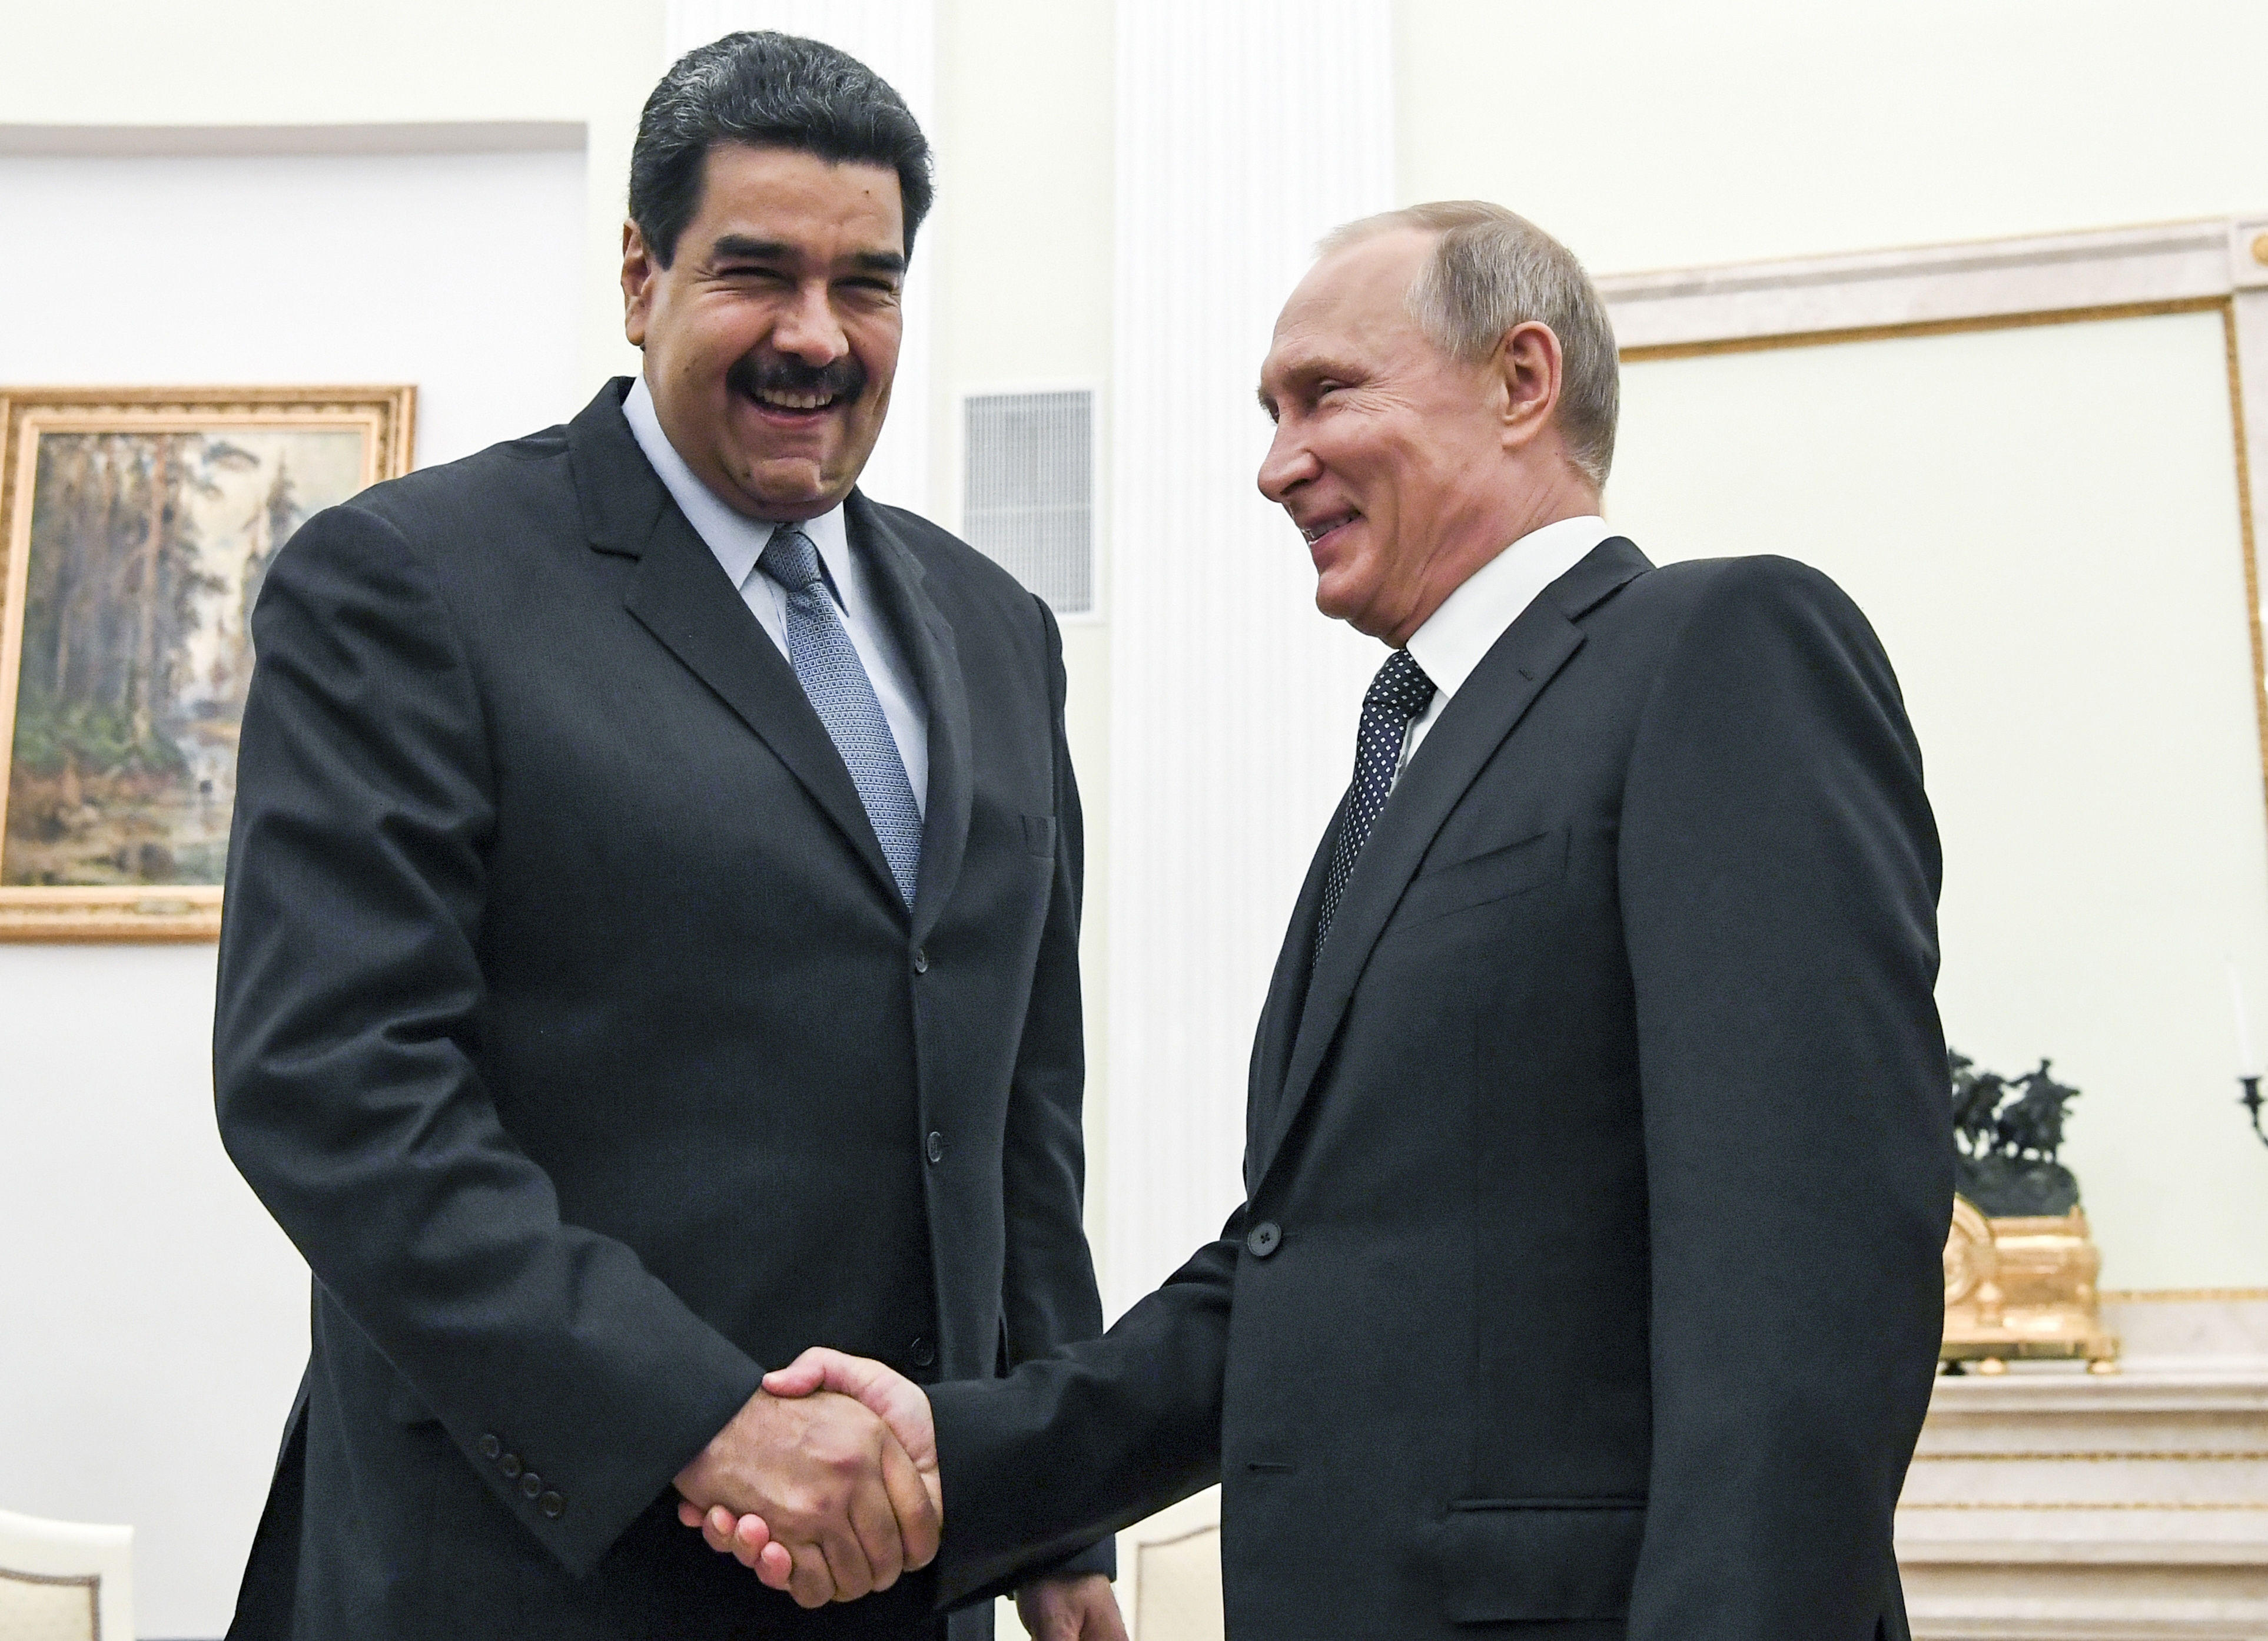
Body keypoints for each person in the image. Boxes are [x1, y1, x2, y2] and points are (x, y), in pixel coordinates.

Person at [699, 202, 1954, 1640]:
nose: (1275, 462)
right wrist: (956, 1447)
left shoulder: (1722, 652)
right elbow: (1301, 1274)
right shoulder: (1412, 753)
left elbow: (1803, 1278)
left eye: (1326, 394)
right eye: (1267, 411)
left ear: (1521, 379)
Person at [212, 31, 1121, 1641]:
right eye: (754, 274)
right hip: (519, 1572)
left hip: (902, 1579)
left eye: (867, 285)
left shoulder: (995, 627)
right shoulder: (409, 585)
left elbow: (1012, 1122)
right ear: (638, 275)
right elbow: (334, 1089)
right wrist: (707, 1416)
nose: (814, 337)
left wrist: (1057, 1512)